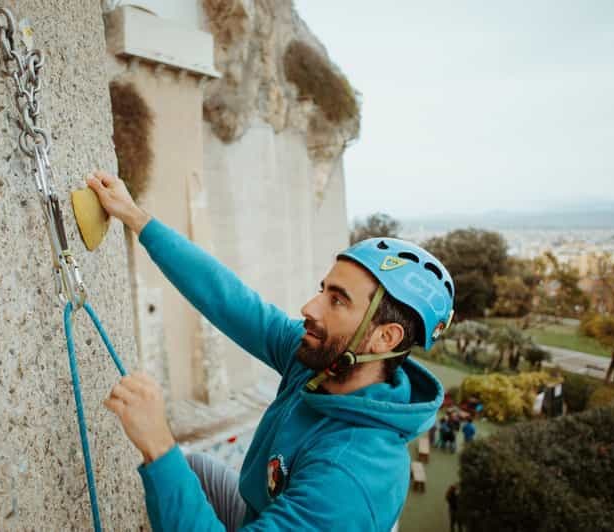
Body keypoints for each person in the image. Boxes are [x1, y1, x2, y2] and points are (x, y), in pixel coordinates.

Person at [87, 170, 455, 531]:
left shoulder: (350, 476)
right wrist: (137, 218)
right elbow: (230, 300)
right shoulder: (323, 363)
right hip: (258, 512)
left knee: (170, 468)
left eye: (337, 300)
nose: (310, 308)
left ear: (385, 339)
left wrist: (158, 445)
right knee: (193, 470)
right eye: (323, 289)